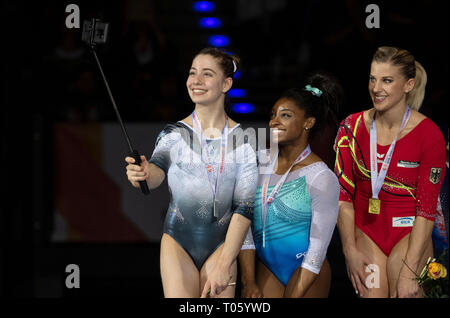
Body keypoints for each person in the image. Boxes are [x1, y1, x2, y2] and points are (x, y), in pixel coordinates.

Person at [125, 47, 258, 297]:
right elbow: (155, 173)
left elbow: (245, 208)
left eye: (207, 74)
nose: (195, 81)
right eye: (192, 73)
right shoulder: (173, 134)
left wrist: (225, 263)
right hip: (178, 243)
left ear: (226, 83)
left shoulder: (245, 142)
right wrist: (142, 173)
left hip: (222, 245)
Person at [334, 46, 446, 298]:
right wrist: (349, 251)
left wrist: (410, 273)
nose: (376, 88)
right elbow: (343, 198)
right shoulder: (350, 128)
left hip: (409, 235)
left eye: (387, 80)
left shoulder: (429, 135)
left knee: (405, 292)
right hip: (367, 233)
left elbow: (426, 211)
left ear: (408, 85)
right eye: (373, 79)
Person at [239, 73, 343, 298]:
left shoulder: (321, 177)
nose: (274, 121)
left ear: (308, 122)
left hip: (307, 268)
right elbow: (243, 224)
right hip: (267, 266)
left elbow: (318, 247)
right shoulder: (257, 163)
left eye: (285, 115)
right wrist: (248, 281)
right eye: (273, 115)